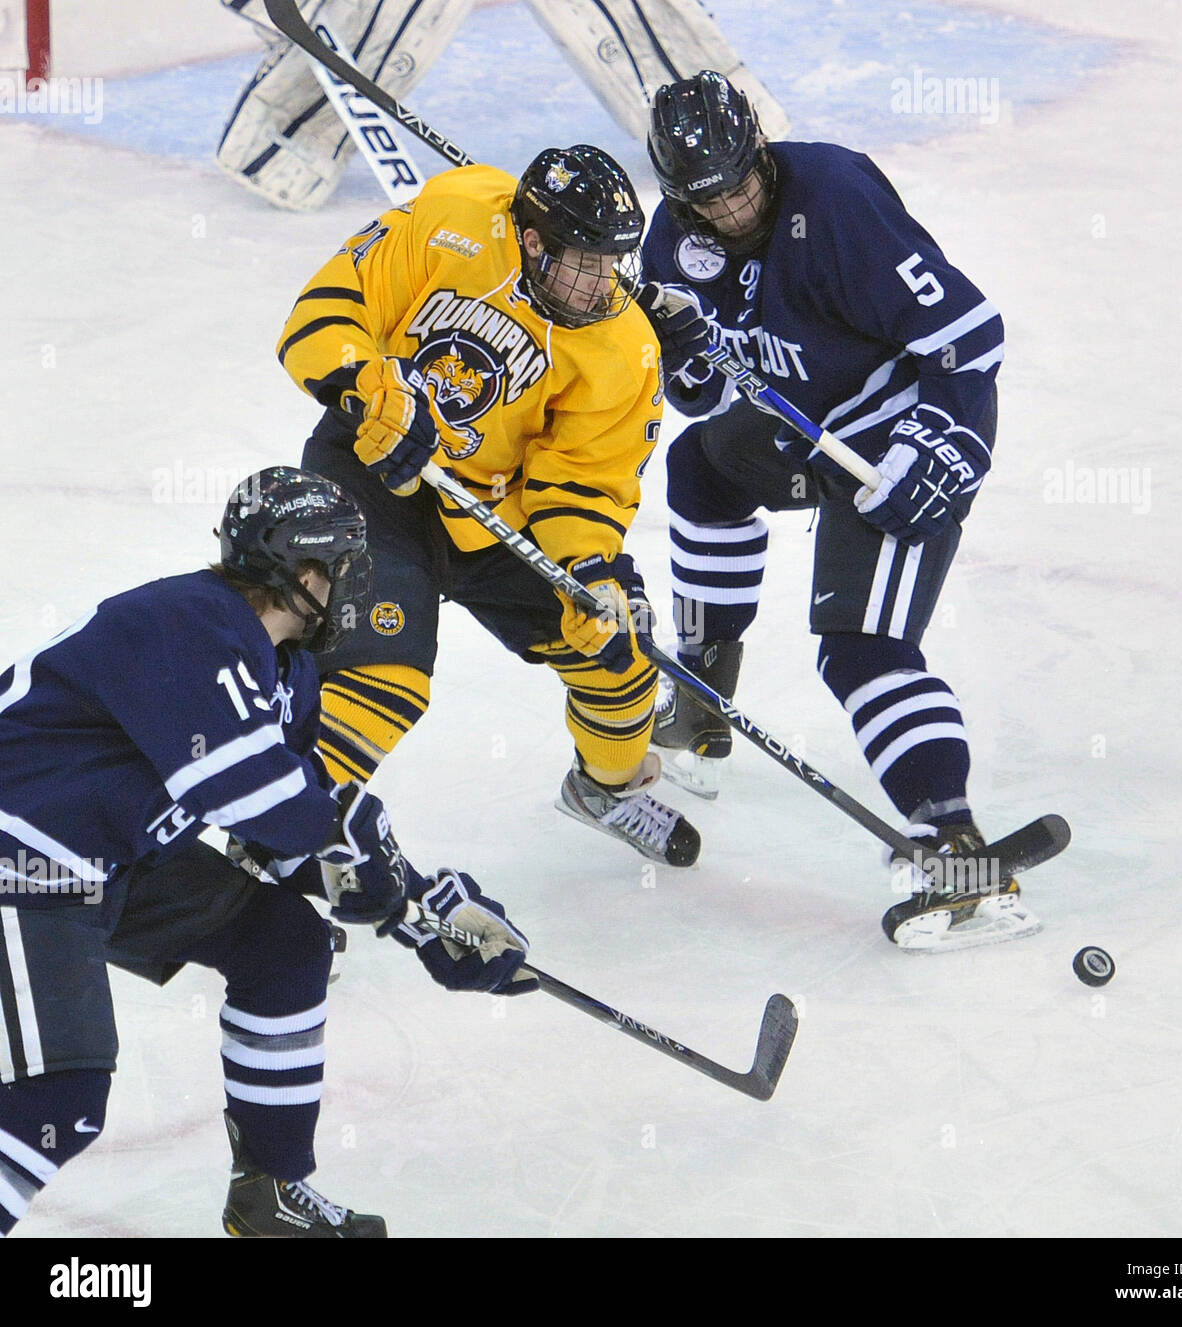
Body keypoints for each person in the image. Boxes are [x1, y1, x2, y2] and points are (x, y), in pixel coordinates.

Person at [0, 467, 535, 1238]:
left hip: (106, 855)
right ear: (305, 573)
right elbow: (251, 794)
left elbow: (285, 832)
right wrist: (365, 859)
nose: (353, 589)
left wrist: (424, 913)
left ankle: (270, 1194)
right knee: (56, 1098)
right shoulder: (191, 622)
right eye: (346, 569)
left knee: (283, 943)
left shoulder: (288, 672)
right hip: (26, 851)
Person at [636, 71, 1035, 947]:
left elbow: (970, 336)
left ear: (761, 153)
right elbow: (701, 393)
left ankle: (953, 843)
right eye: (706, 198)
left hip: (900, 435)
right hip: (805, 428)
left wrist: (935, 444)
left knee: (862, 650)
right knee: (700, 470)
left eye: (742, 182)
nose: (733, 209)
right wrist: (679, 350)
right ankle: (704, 691)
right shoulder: (673, 240)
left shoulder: (837, 196)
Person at [276, 142, 700, 868]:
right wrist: (373, 391)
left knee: (620, 653)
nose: (605, 284)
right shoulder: (455, 218)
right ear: (533, 241)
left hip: (494, 516)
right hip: (377, 471)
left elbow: (582, 482)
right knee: (383, 678)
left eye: (615, 262)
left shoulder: (624, 346)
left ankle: (604, 790)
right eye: (585, 262)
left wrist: (589, 569)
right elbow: (328, 309)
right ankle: (277, 849)